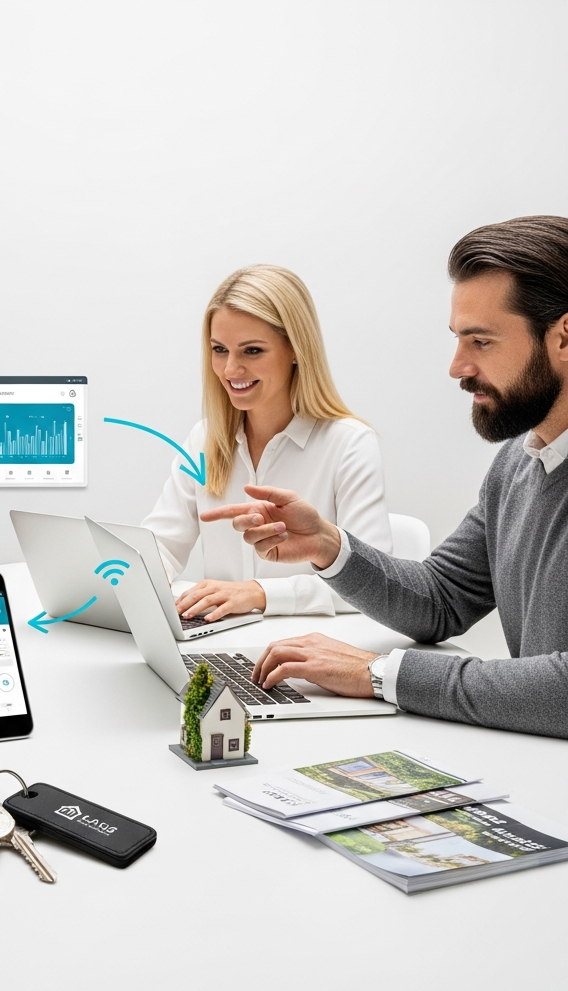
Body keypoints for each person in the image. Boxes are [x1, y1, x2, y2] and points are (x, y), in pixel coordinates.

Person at [208, 216, 568, 739]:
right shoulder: (520, 462)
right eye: (458, 339)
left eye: (481, 341)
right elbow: (441, 599)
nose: (457, 366)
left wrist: (379, 674)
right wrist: (330, 547)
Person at [141, 264, 391, 621]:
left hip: (309, 653)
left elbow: (375, 586)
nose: (230, 370)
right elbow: (160, 546)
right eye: (219, 349)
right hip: (220, 647)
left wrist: (260, 594)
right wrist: (121, 580)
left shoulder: (348, 445)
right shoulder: (205, 439)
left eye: (252, 351)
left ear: (295, 349)